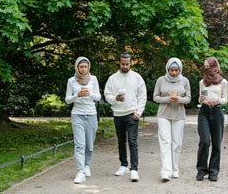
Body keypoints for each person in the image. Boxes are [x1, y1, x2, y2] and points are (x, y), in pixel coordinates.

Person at [104, 52, 147, 182]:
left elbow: (142, 96)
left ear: (131, 63)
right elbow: (107, 95)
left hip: (132, 114)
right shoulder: (112, 78)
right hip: (118, 114)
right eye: (123, 64)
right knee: (121, 141)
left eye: (127, 64)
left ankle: (134, 169)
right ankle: (123, 165)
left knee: (132, 141)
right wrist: (116, 98)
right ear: (119, 62)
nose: (125, 66)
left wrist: (139, 111)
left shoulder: (137, 77)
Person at [153, 57, 191, 182]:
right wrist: (167, 99)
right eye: (171, 70)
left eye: (176, 70)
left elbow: (188, 98)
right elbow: (155, 97)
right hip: (163, 114)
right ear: (167, 69)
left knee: (177, 142)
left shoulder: (185, 81)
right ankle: (165, 171)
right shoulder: (161, 80)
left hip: (179, 115)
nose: (174, 73)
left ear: (180, 69)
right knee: (165, 142)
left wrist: (179, 99)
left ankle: (175, 169)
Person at [65, 57, 101, 184]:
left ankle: (86, 165)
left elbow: (98, 97)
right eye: (81, 67)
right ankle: (80, 172)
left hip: (91, 114)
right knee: (79, 144)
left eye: (85, 66)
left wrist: (90, 93)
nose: (83, 69)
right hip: (77, 115)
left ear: (88, 67)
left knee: (89, 145)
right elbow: (67, 99)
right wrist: (76, 96)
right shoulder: (71, 81)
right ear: (77, 67)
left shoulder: (93, 79)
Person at [196, 57, 228, 182]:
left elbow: (225, 99)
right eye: (205, 66)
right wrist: (203, 99)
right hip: (204, 112)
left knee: (216, 143)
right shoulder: (202, 82)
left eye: (208, 66)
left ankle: (213, 171)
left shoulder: (223, 82)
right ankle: (201, 170)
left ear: (214, 66)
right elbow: (201, 97)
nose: (206, 68)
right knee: (204, 141)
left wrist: (217, 100)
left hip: (217, 112)